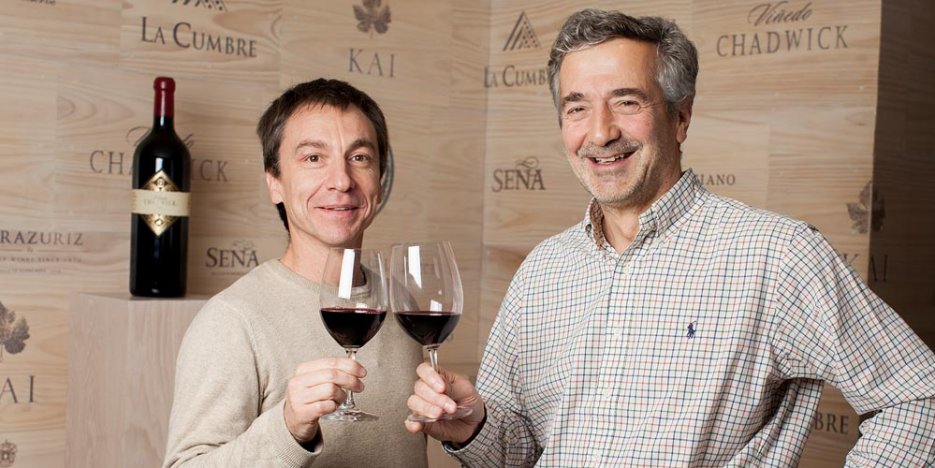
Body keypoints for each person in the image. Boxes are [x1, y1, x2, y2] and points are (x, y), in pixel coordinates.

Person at [405, 9, 935, 466]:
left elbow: (918, 398)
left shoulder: (777, 254)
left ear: (680, 117)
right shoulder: (543, 270)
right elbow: (516, 452)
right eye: (577, 108)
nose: (600, 132)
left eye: (627, 102)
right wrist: (471, 427)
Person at [164, 79, 426, 467]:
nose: (341, 180)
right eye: (313, 158)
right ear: (275, 183)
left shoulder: (400, 304)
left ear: (380, 179)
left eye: (359, 158)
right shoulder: (232, 320)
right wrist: (286, 428)